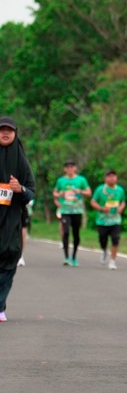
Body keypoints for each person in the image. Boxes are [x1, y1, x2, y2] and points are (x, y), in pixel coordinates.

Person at [0, 116, 35, 322]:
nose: (5, 133)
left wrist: (20, 189)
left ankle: (0, 306)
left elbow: (31, 193)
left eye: (9, 130)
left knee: (9, 261)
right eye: (2, 130)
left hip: (12, 222)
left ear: (15, 134)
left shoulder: (21, 162)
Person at [53, 160, 91, 267]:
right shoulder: (61, 180)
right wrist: (60, 194)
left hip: (77, 210)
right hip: (65, 210)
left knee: (76, 234)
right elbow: (55, 193)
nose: (70, 169)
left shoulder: (81, 179)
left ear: (75, 168)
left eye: (72, 167)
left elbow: (89, 193)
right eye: (67, 167)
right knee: (65, 232)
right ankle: (66, 257)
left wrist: (80, 191)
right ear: (65, 169)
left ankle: (74, 256)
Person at [90, 170, 126, 270]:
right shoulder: (100, 189)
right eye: (109, 176)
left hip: (115, 220)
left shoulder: (120, 190)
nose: (111, 178)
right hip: (102, 220)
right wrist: (101, 208)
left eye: (113, 176)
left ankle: (112, 261)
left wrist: (121, 208)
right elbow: (93, 202)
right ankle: (104, 250)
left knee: (115, 239)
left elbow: (123, 202)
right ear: (105, 178)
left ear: (116, 178)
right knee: (103, 239)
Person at [17, 199, 34, 267]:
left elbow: (30, 200)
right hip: (8, 210)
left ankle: (20, 256)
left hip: (22, 211)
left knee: (23, 232)